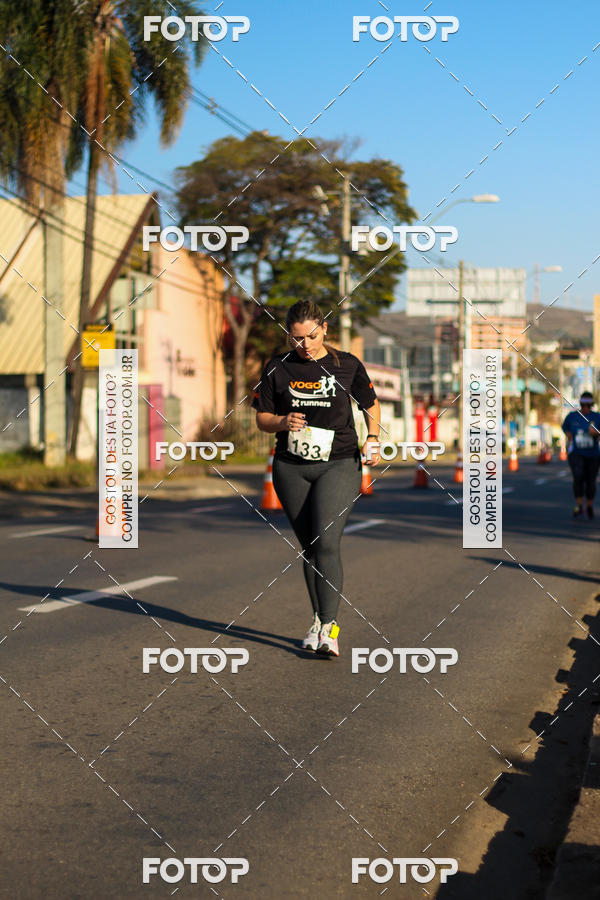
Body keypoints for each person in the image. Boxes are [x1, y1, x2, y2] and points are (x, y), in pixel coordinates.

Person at [252, 300, 381, 658]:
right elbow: (262, 418)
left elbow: (370, 404)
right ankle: (317, 620)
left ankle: (329, 627)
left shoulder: (346, 365)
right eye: (296, 339)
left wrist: (373, 438)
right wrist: (281, 422)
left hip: (338, 463)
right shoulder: (277, 367)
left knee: (325, 539)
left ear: (324, 329)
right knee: (309, 545)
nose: (304, 345)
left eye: (310, 336)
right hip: (291, 466)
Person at [562, 391, 600, 519]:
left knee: (591, 482)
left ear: (592, 405)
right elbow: (564, 427)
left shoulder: (597, 417)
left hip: (593, 454)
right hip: (577, 453)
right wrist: (568, 434)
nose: (586, 408)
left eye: (588, 405)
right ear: (580, 404)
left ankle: (589, 505)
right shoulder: (572, 416)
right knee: (578, 477)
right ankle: (579, 505)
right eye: (584, 405)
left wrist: (596, 433)